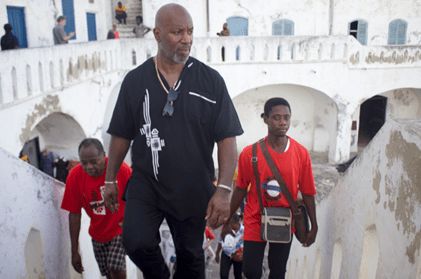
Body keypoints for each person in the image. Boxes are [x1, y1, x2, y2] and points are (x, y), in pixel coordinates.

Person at [103, 3, 243, 279]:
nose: (187, 39)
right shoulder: (134, 82)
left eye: (190, 31)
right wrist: (110, 179)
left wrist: (224, 189)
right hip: (147, 182)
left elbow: (227, 138)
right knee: (135, 241)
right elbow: (121, 133)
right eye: (177, 32)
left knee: (191, 256)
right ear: (157, 34)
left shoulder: (210, 81)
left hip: (192, 186)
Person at [221, 98, 318, 279]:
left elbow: (308, 192)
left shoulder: (301, 153)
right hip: (255, 218)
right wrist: (228, 220)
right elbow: (241, 189)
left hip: (285, 220)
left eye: (286, 118)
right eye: (276, 117)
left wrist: (314, 225)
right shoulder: (249, 153)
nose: (283, 122)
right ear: (265, 119)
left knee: (278, 270)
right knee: (250, 271)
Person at [61, 138, 132, 279]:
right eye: (84, 162)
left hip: (121, 228)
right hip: (98, 234)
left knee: (115, 267)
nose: (89, 167)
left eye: (94, 161)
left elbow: (139, 198)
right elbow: (74, 213)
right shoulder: (74, 177)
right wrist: (74, 250)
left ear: (104, 156)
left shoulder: (122, 170)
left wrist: (134, 224)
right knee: (108, 274)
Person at [215, 214, 244, 279]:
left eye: (231, 223)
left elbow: (247, 244)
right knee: (223, 275)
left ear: (237, 223)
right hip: (226, 255)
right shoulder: (225, 229)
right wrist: (217, 253)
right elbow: (220, 241)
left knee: (238, 275)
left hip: (238, 256)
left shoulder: (244, 230)